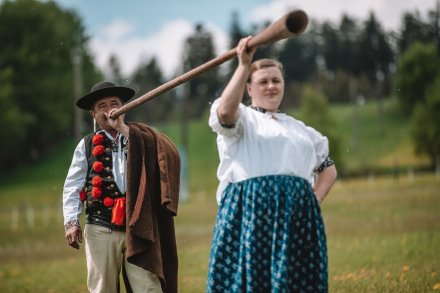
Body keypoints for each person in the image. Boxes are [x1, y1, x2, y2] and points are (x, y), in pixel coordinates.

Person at [206, 37, 337, 292]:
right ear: (249, 88)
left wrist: (312, 201)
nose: (270, 86)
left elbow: (328, 169)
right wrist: (244, 65)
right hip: (251, 214)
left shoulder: (302, 130)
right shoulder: (243, 118)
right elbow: (224, 114)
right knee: (251, 281)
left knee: (293, 281)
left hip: (295, 218)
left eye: (276, 80)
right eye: (262, 82)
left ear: (284, 85)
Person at [62, 81, 180, 293]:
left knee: (148, 288)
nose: (109, 110)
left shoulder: (142, 137)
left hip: (138, 228)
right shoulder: (86, 145)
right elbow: (73, 185)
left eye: (115, 103)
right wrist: (71, 221)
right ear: (93, 114)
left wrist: (124, 130)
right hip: (100, 227)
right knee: (102, 288)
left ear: (125, 107)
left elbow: (164, 156)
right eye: (102, 106)